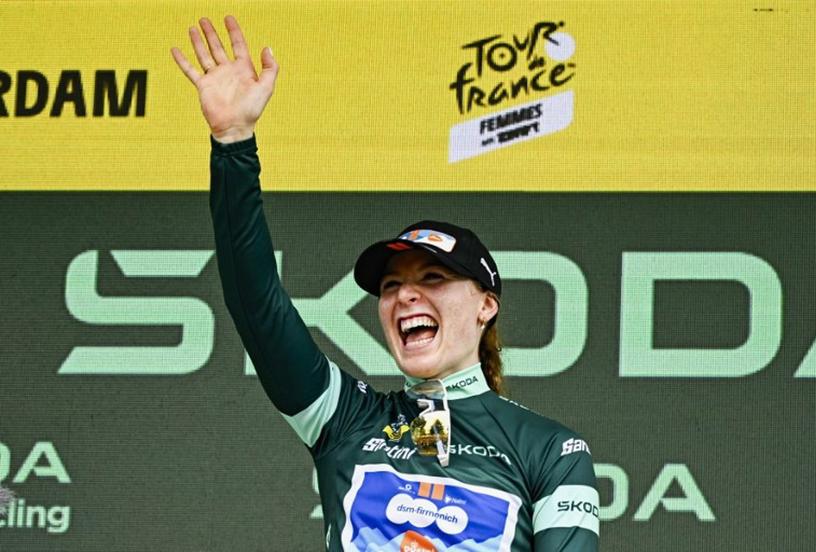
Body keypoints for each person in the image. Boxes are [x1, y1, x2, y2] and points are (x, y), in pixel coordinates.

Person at [173, 16, 599, 551]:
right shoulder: (346, 419)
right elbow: (257, 306)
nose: (404, 296)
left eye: (433, 277)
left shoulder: (551, 451)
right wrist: (234, 144)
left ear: (486, 305)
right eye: (391, 285)